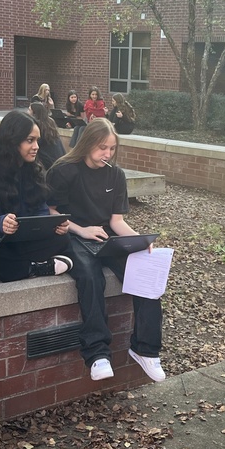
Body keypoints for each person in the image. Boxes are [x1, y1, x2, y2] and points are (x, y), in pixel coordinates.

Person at [47, 118, 165, 383]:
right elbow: (53, 214)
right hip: (73, 235)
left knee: (146, 269)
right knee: (90, 276)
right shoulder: (64, 170)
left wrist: (141, 240)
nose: (107, 154)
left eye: (112, 148)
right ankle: (98, 353)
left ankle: (145, 349)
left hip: (106, 236)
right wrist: (83, 230)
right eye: (102, 148)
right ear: (88, 144)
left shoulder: (115, 174)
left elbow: (116, 222)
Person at [0, 110, 73, 283]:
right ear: (12, 141)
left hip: (19, 239)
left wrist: (52, 225)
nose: (36, 146)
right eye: (30, 140)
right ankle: (35, 267)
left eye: (37, 140)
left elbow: (40, 210)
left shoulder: (33, 167)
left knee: (63, 238)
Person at [29, 100, 67, 170]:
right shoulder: (50, 123)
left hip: (49, 164)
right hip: (61, 160)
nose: (27, 112)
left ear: (34, 112)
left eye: (29, 110)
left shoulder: (37, 126)